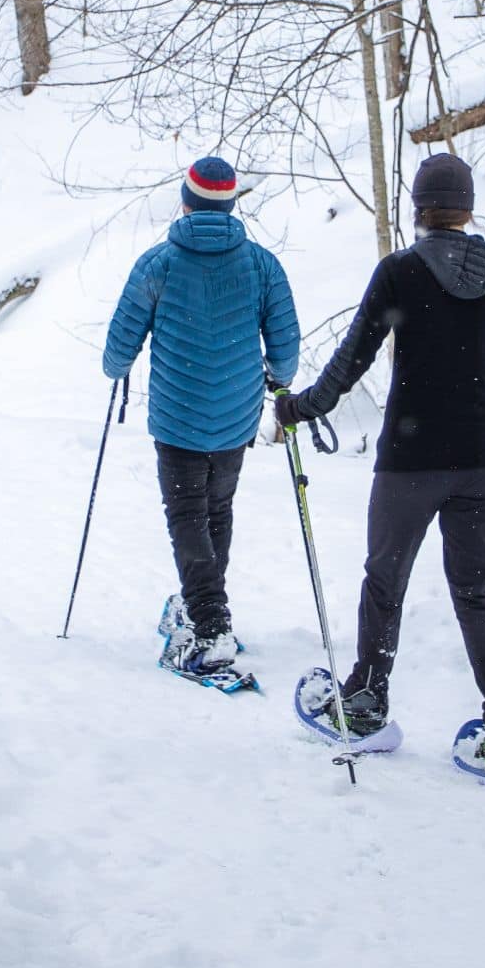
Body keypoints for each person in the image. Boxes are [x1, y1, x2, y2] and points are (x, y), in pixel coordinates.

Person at [274, 153, 485, 772]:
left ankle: (367, 700)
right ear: (467, 209)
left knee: (384, 582)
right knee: (476, 591)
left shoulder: (399, 272)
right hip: (483, 461)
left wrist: (300, 407)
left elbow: (351, 362)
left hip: (410, 461)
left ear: (418, 210)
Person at [104, 157, 301, 676]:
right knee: (217, 510)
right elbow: (285, 347)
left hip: (178, 415)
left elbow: (120, 343)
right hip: (235, 417)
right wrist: (280, 376)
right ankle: (205, 606)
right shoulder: (261, 265)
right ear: (231, 203)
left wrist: (117, 366)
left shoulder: (158, 264)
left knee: (188, 515)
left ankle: (211, 624)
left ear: (186, 201)